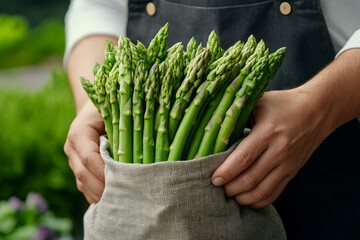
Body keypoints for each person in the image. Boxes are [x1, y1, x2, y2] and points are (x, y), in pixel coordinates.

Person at [63, 0, 360, 239]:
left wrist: (320, 106)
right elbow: (97, 8)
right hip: (138, 166)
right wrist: (103, 101)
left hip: (333, 178)